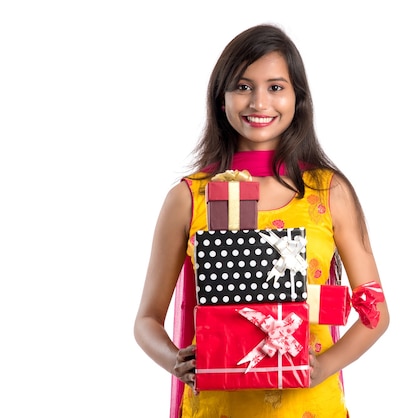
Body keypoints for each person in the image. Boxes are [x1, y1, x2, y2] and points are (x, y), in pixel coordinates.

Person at [134, 23, 390, 418]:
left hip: (309, 406)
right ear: (221, 99)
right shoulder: (188, 197)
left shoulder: (329, 191)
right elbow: (147, 320)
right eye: (242, 86)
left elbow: (375, 310)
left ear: (297, 98)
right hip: (218, 406)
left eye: (275, 87)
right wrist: (174, 360)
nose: (258, 102)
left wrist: (323, 367)